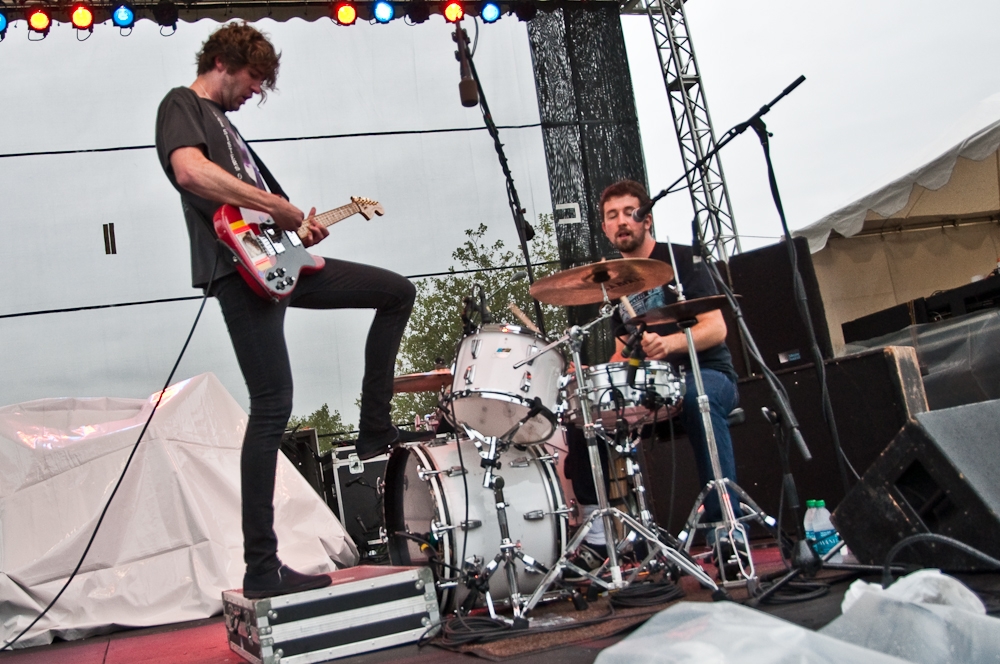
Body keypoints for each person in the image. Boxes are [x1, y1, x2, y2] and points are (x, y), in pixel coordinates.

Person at [155, 22, 418, 599]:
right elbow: (189, 171)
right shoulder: (182, 105)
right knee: (273, 406)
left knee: (397, 291)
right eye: (253, 80)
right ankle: (261, 569)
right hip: (239, 274)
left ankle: (375, 428)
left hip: (278, 265)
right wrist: (280, 204)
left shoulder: (233, 133)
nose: (256, 93)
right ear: (224, 61)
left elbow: (272, 222)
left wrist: (297, 231)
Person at [564, 179, 742, 562]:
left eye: (630, 212)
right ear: (605, 228)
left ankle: (725, 527)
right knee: (584, 414)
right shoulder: (615, 285)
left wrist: (671, 345)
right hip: (651, 390)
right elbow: (621, 353)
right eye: (612, 216)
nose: (622, 221)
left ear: (647, 219)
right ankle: (599, 532)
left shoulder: (680, 260)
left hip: (706, 375)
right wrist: (590, 379)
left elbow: (716, 328)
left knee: (699, 398)